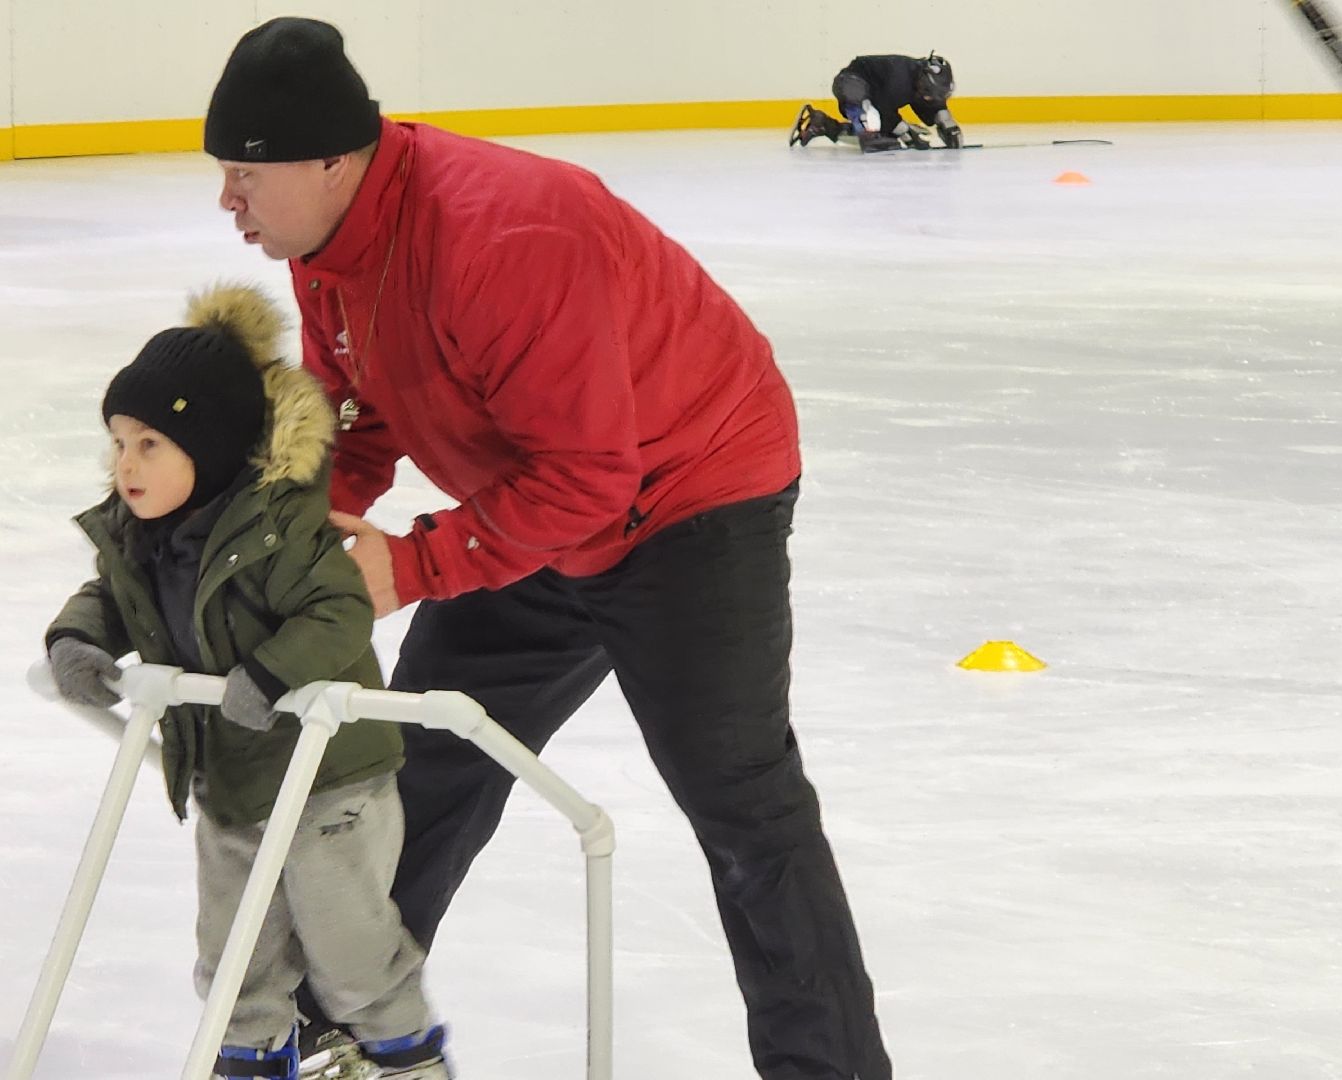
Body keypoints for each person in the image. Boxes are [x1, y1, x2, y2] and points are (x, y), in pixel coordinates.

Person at [204, 16, 892, 1080]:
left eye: (246, 174)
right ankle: (336, 1027)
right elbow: (366, 408)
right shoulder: (325, 244)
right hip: (533, 500)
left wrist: (416, 564)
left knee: (744, 803)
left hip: (688, 502)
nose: (227, 201)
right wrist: (293, 531)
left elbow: (592, 476)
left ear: (334, 159)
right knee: (417, 763)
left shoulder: (502, 237)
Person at [44, 284, 451, 1080]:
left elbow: (338, 613)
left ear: (214, 446)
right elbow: (110, 599)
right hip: (229, 784)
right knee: (235, 959)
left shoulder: (280, 528)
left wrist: (269, 673)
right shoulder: (139, 535)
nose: (125, 463)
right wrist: (77, 639)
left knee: (353, 956)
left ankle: (410, 1064)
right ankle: (251, 1062)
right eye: (120, 441)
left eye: (151, 444)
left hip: (329, 783)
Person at [790, 52, 962, 152]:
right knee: (871, 128)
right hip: (850, 83)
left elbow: (927, 103)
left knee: (882, 134)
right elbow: (883, 107)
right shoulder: (900, 80)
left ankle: (823, 125)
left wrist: (947, 123)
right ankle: (867, 134)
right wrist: (906, 132)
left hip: (867, 93)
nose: (931, 99)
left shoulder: (917, 79)